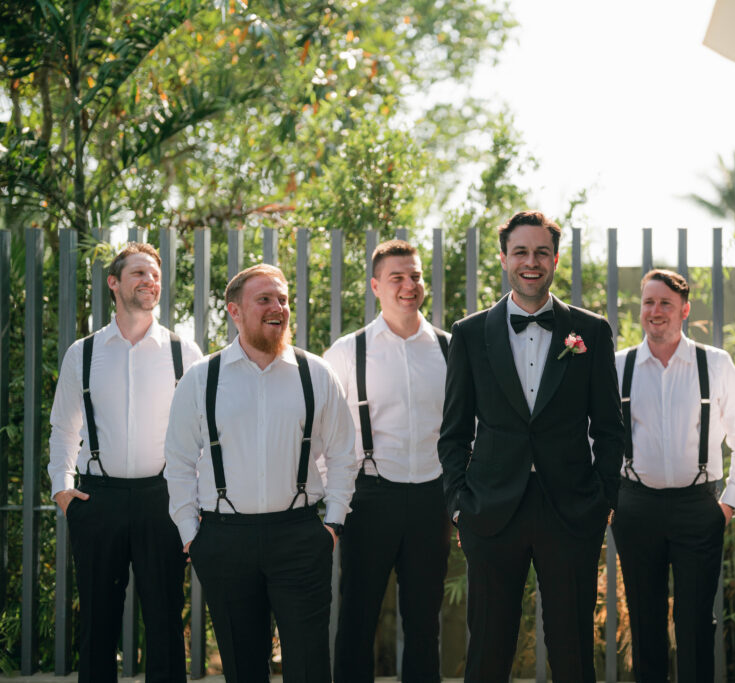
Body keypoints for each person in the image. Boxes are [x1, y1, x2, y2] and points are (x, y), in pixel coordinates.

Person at [438, 210, 625, 682]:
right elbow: (454, 431)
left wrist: (603, 500)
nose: (531, 262)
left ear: (555, 260)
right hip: (490, 509)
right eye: (520, 251)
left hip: (571, 509)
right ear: (504, 258)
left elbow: (609, 428)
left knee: (572, 650)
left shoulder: (592, 331)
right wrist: (460, 505)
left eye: (542, 252)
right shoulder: (469, 333)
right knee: (488, 649)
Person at [164, 264, 358, 683]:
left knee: (309, 667)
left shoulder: (316, 373)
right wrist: (190, 535)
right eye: (265, 299)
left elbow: (344, 454)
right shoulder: (201, 378)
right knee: (242, 667)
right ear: (234, 311)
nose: (278, 308)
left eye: (283, 300)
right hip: (223, 539)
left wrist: (333, 525)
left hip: (299, 537)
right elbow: (178, 461)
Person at [48, 242, 203, 683]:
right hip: (99, 500)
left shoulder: (184, 352)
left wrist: (193, 504)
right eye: (138, 273)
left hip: (163, 499)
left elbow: (201, 437)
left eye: (155, 275)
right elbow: (63, 428)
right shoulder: (83, 353)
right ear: (113, 282)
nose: (149, 281)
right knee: (96, 623)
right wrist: (62, 490)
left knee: (166, 621)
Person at [611, 269, 735, 682]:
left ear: (684, 310)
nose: (655, 311)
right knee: (644, 622)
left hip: (698, 507)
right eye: (648, 302)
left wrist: (729, 503)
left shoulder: (715, 364)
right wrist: (609, 503)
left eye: (665, 303)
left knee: (696, 624)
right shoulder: (619, 366)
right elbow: (592, 439)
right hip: (636, 507)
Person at [324, 239, 450, 682]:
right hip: (370, 497)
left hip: (433, 498)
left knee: (425, 621)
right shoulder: (347, 351)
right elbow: (325, 433)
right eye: (397, 277)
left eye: (415, 276)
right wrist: (331, 507)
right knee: (358, 616)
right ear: (376, 286)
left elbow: (468, 429)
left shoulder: (449, 349)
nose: (408, 285)